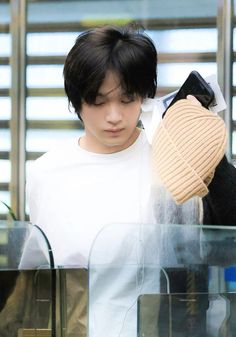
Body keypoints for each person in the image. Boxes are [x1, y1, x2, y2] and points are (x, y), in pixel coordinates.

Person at [25, 24, 236, 337]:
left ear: (144, 96)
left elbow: (225, 231)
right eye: (98, 100)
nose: (114, 116)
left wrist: (209, 158)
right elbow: (36, 278)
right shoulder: (46, 172)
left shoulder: (167, 156)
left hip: (163, 328)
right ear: (77, 101)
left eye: (127, 99)